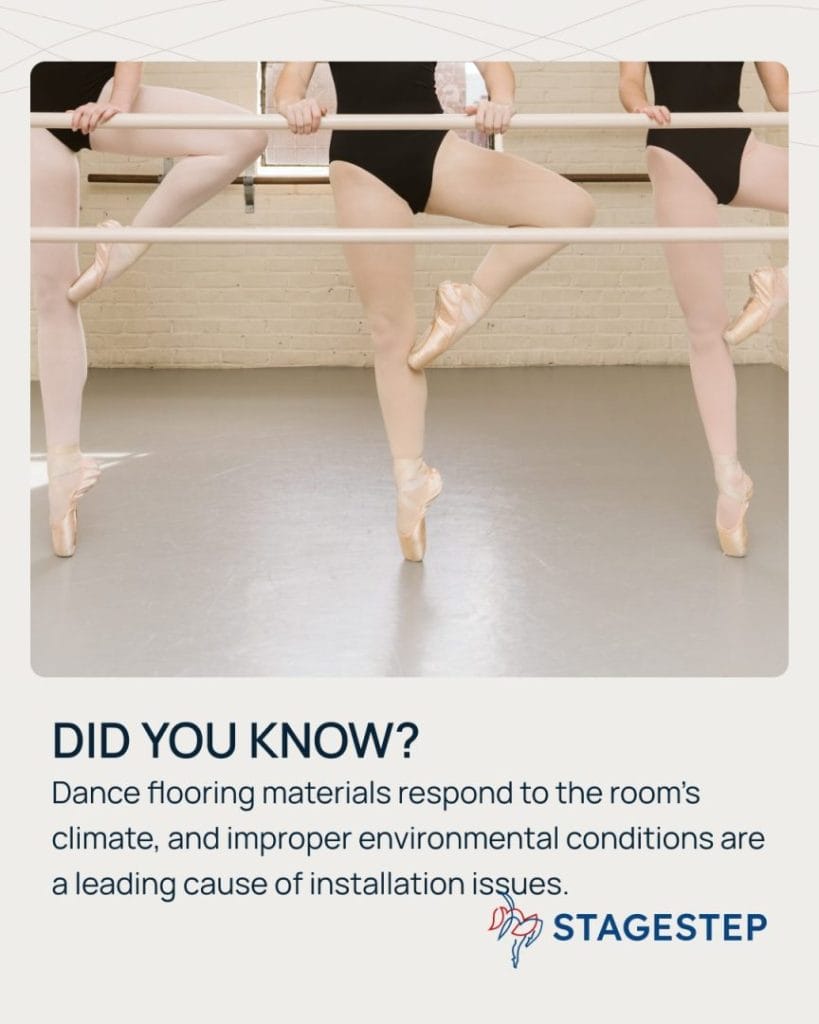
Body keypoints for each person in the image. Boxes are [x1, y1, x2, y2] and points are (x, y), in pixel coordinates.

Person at [276, 61, 594, 560]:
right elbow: (289, 84)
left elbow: (496, 66)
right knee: (391, 333)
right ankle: (410, 480)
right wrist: (293, 105)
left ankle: (470, 299)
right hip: (362, 162)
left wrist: (501, 99)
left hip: (433, 148)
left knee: (571, 208)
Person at [31, 61, 268, 556]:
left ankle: (127, 247)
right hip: (32, 114)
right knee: (54, 298)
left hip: (85, 93)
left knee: (243, 134)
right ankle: (63, 469)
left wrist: (120, 96)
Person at [618, 62, 788, 556]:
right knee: (704, 326)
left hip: (739, 148)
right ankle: (729, 476)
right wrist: (638, 105)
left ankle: (785, 283)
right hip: (675, 153)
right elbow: (629, 82)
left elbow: (781, 95)